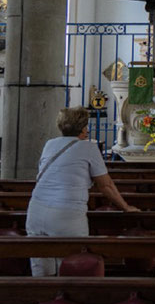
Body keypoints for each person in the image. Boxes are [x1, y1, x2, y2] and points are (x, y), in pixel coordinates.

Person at [26, 107, 139, 276]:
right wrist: (125, 207)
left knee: (42, 269)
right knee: (72, 266)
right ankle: (67, 301)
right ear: (84, 128)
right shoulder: (88, 148)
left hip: (36, 210)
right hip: (66, 214)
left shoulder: (50, 144)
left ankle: (43, 301)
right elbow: (105, 185)